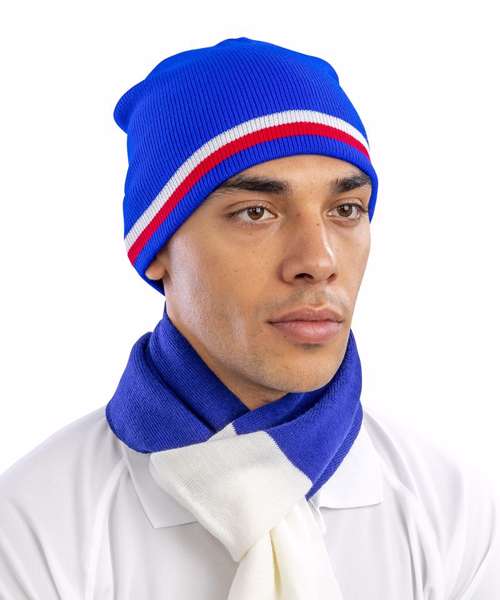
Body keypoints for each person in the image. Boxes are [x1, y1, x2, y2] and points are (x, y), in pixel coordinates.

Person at [0, 36, 498, 600]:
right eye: (256, 212)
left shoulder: (453, 511)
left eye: (345, 209)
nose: (318, 261)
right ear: (156, 247)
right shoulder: (34, 528)